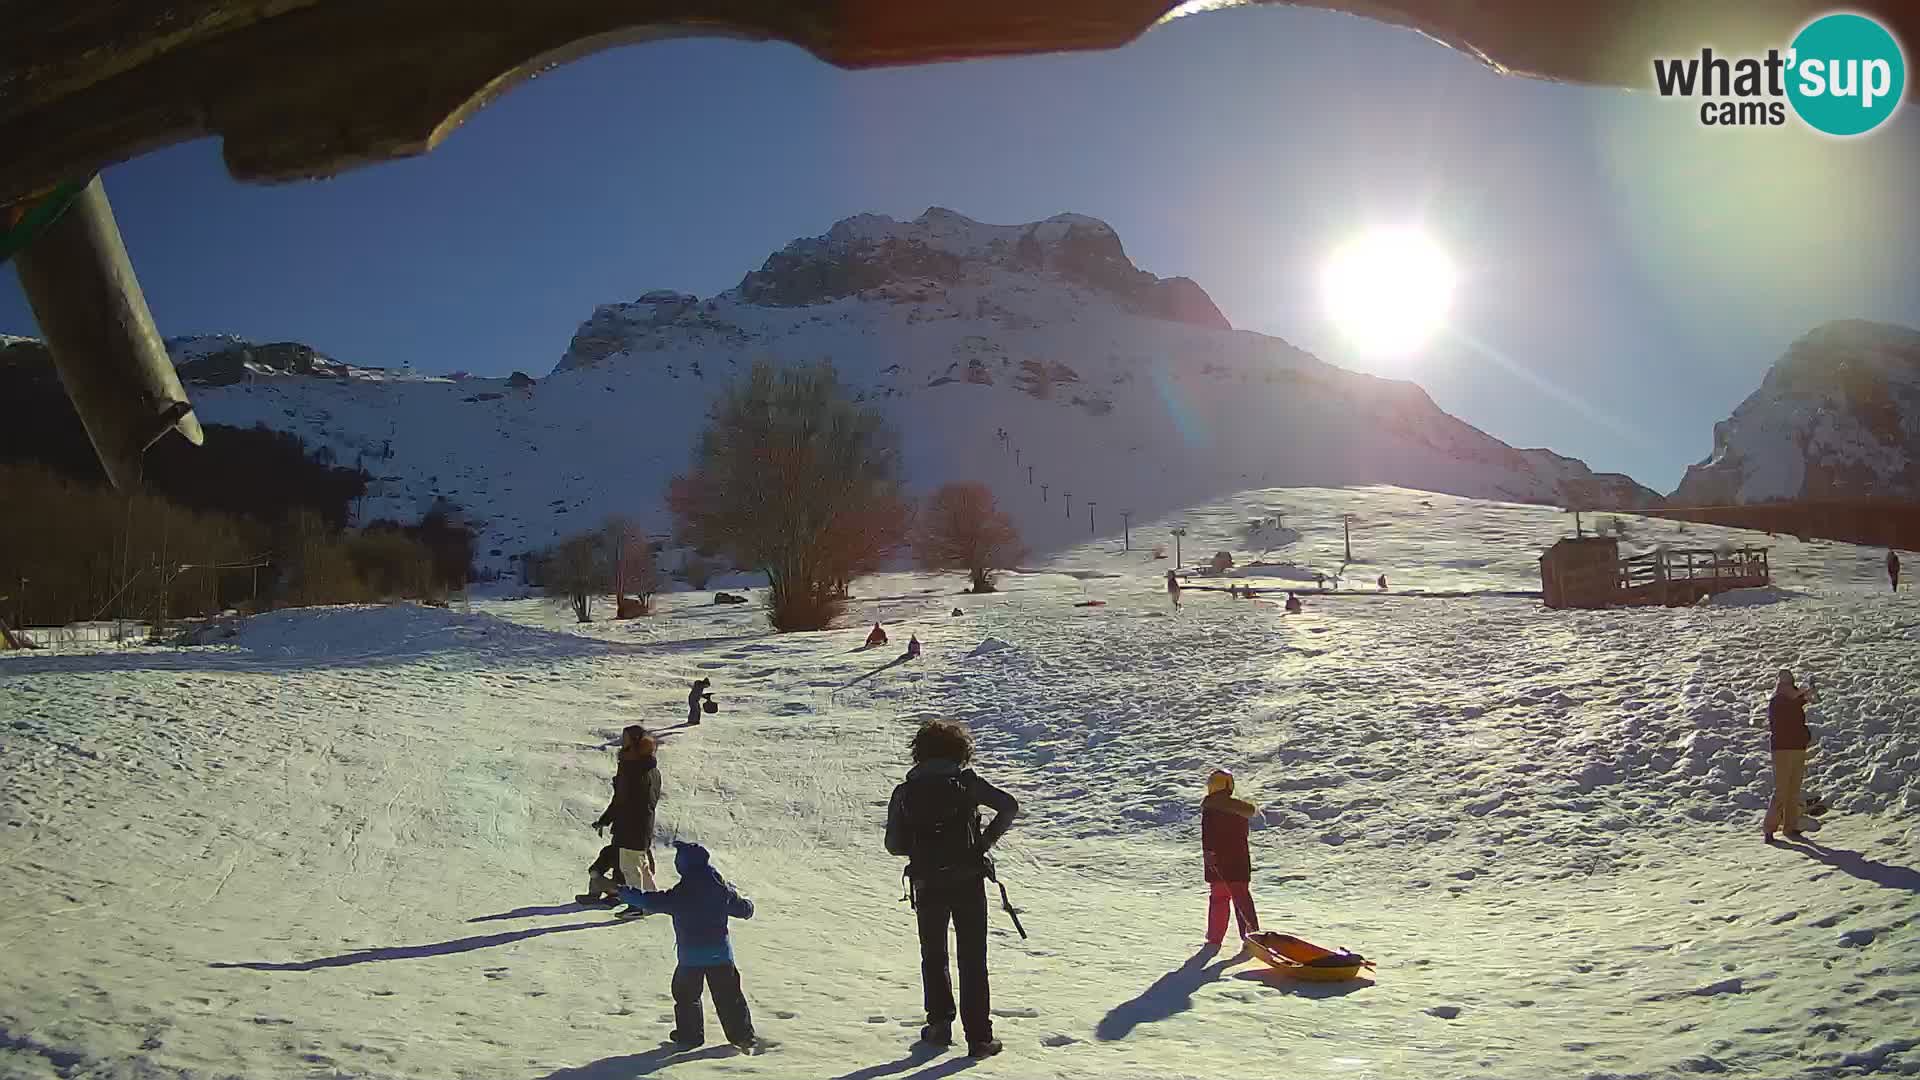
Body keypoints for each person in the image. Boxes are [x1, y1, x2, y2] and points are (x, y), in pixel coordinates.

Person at [885, 720, 1019, 1059]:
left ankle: (940, 1025)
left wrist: (922, 846)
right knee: (973, 959)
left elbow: (894, 845)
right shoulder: (966, 783)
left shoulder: (906, 791)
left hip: (927, 882)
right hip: (968, 880)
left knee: (933, 956)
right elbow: (1009, 806)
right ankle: (979, 1038)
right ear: (959, 750)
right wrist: (981, 845)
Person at [617, 841, 759, 1052]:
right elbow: (743, 910)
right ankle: (743, 1036)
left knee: (686, 997)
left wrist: (625, 892)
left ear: (683, 866)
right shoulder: (720, 890)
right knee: (730, 997)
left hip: (690, 958)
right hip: (720, 955)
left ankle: (690, 1036)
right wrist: (748, 906)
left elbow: (650, 901)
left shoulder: (679, 895)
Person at [586, 726, 661, 904]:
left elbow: (622, 801)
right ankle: (651, 900)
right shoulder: (651, 768)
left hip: (630, 827)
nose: (622, 741)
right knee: (637, 865)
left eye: (626, 738)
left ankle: (637, 904)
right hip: (641, 826)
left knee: (630, 867)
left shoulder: (633, 769)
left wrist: (605, 820)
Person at [1201, 769, 1260, 946]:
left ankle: (1214, 937)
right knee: (1241, 898)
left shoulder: (1210, 808)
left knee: (1219, 899)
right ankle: (1252, 937)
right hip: (1239, 859)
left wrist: (1210, 855)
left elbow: (1208, 836)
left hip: (1217, 861)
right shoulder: (1240, 809)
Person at [1764, 670, 1818, 843]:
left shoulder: (1793, 700)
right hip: (1782, 749)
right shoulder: (1778, 701)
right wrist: (1802, 693)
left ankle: (1790, 827)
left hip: (1797, 747)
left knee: (1793, 790)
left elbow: (1810, 699)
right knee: (1781, 790)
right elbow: (1794, 700)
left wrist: (1809, 691)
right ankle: (1769, 829)